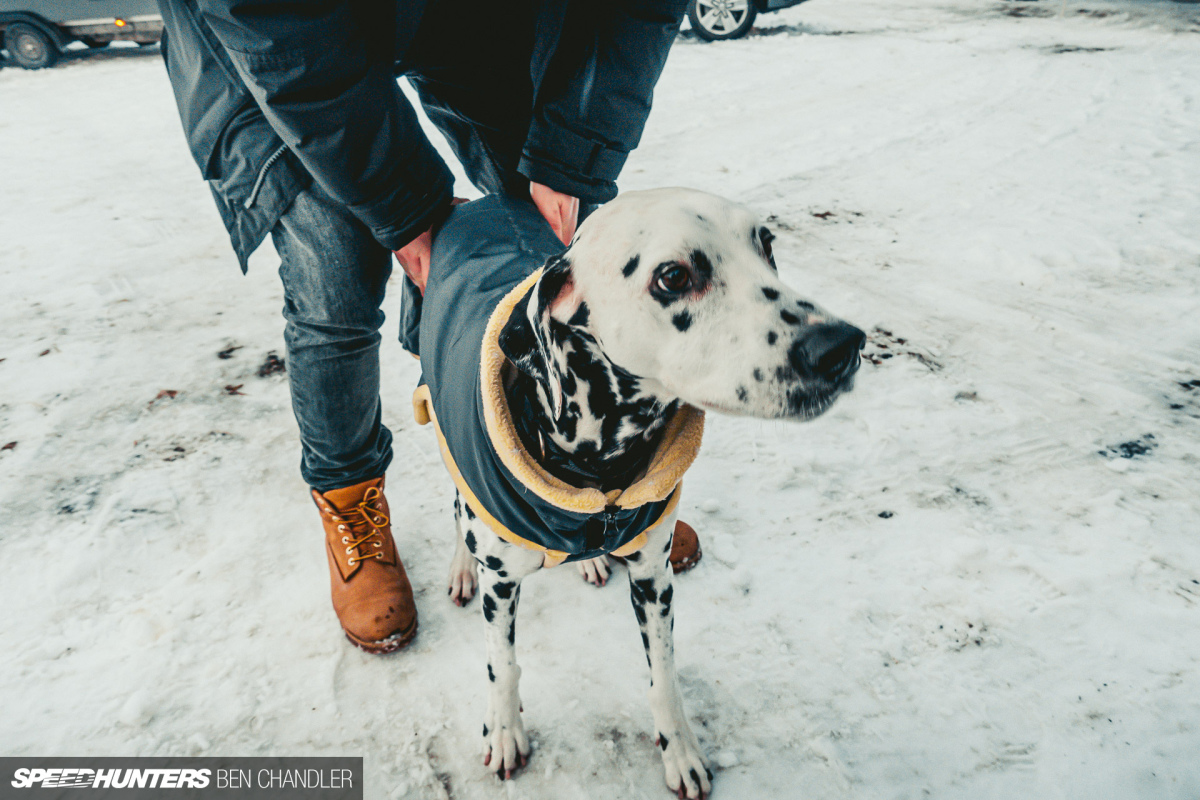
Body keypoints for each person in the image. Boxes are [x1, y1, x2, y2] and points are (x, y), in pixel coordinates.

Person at [156, 0, 701, 654]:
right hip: (272, 38)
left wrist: (569, 156)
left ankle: (581, 474)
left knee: (541, 229)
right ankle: (349, 498)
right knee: (337, 260)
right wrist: (403, 205)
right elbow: (275, 27)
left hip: (457, 16)